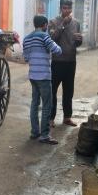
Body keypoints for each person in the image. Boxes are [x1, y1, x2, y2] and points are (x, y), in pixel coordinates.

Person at [23, 15, 62, 145]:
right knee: (47, 105)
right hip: (44, 76)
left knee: (35, 104)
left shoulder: (27, 38)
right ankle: (44, 135)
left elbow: (26, 58)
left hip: (33, 75)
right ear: (45, 25)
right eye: (47, 25)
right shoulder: (44, 36)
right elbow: (57, 50)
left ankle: (35, 132)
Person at [48, 0, 83, 127]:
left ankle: (67, 117)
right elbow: (52, 39)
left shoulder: (76, 23)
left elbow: (77, 43)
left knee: (68, 91)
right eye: (64, 8)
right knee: (53, 91)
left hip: (70, 61)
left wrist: (79, 40)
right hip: (57, 61)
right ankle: (50, 118)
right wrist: (62, 24)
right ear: (60, 8)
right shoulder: (53, 22)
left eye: (69, 8)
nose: (67, 10)